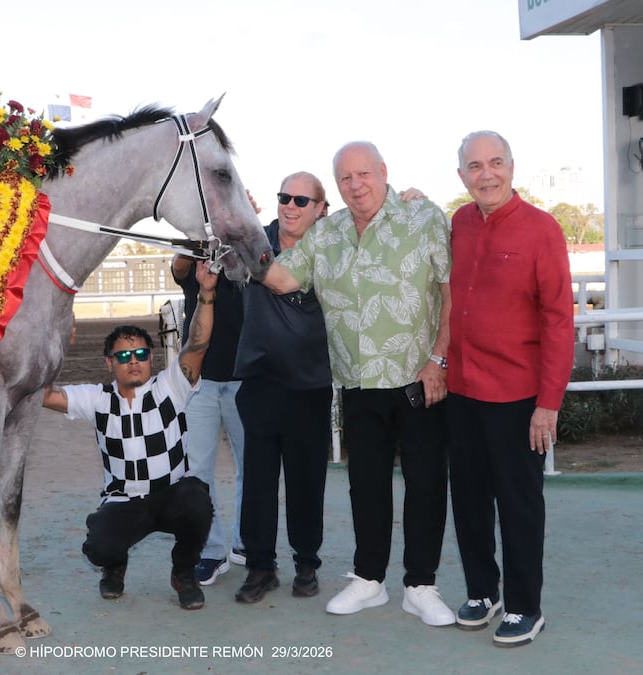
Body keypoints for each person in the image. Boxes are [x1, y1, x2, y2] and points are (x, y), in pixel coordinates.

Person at [257, 141, 456, 627]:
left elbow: (451, 295)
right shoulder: (326, 236)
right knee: (366, 485)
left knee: (426, 484)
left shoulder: (424, 218)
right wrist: (237, 249)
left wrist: (438, 360)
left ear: (384, 173)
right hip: (358, 381)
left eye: (364, 174)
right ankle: (369, 580)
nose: (356, 185)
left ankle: (420, 585)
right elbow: (282, 279)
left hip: (418, 378)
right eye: (345, 178)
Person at [447, 130, 574, 647]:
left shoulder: (543, 230)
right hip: (462, 390)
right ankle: (483, 591)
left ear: (512, 167)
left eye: (495, 163)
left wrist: (549, 405)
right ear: (462, 177)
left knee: (520, 505)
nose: (486, 175)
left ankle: (525, 605)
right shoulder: (457, 222)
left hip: (518, 396)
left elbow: (560, 322)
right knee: (470, 500)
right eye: (474, 167)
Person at [42, 261, 220, 611]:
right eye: (123, 356)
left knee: (198, 501)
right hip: (126, 501)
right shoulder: (97, 398)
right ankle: (114, 563)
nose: (133, 361)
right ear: (110, 363)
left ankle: (183, 572)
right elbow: (44, 394)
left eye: (140, 353)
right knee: (98, 549)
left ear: (151, 358)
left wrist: (208, 294)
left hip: (172, 495)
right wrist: (57, 343)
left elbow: (198, 344)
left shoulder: (171, 386)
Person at [231, 173, 333, 604]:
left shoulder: (332, 246)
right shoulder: (256, 238)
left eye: (301, 200)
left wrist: (409, 200)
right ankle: (260, 568)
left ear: (320, 209)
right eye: (284, 197)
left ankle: (306, 565)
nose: (290, 206)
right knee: (257, 482)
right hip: (261, 382)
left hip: (311, 385)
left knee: (307, 481)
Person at [170, 252, 246, 586]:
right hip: (200, 382)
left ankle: (245, 541)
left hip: (246, 378)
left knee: (252, 467)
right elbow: (178, 269)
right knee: (197, 471)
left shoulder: (249, 240)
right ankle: (212, 550)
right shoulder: (196, 248)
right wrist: (198, 240)